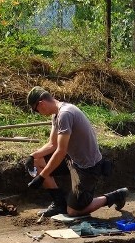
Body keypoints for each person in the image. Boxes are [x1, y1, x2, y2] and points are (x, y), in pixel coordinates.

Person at [25, 86, 127, 217]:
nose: (38, 113)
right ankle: (58, 204)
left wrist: (42, 177)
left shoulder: (65, 114)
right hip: (72, 160)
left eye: (36, 110)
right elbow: (52, 144)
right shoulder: (56, 114)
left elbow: (61, 151)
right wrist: (31, 156)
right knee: (38, 160)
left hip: (88, 167)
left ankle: (115, 196)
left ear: (41, 104)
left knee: (73, 211)